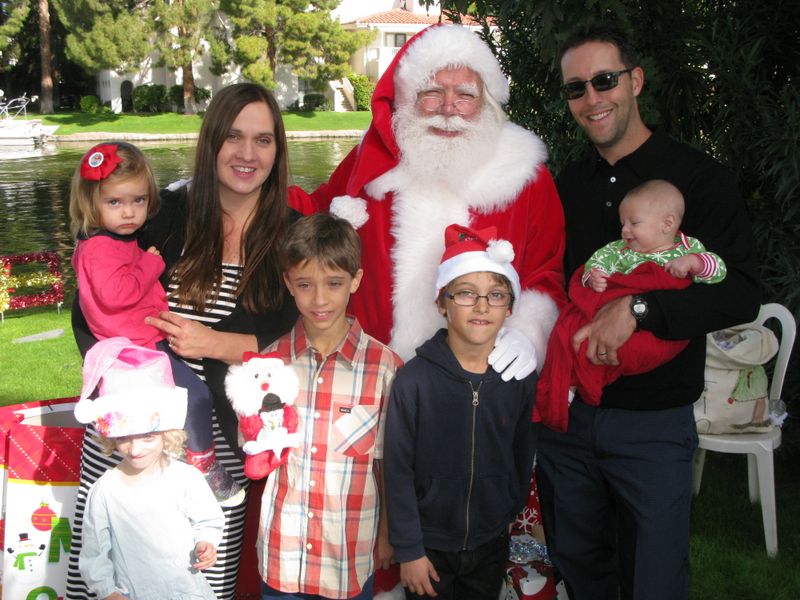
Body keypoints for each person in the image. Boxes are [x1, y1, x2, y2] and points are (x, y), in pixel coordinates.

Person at [535, 23, 761, 600]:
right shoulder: (567, 184)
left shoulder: (698, 180)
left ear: (634, 81)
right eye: (576, 88)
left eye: (604, 80)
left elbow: (740, 291)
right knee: (579, 565)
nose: (592, 98)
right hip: (572, 418)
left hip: (654, 424)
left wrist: (638, 308)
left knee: (654, 578)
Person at [68, 82, 299, 600]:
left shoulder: (291, 235)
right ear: (211, 140)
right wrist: (125, 382)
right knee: (111, 581)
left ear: (278, 151)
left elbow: (288, 340)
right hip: (130, 429)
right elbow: (90, 305)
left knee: (198, 581)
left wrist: (210, 343)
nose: (246, 153)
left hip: (212, 450)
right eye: (233, 137)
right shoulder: (164, 215)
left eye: (263, 140)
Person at [292, 23, 566, 376]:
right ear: (409, 98)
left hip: (482, 381)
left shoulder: (524, 175)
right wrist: (237, 191)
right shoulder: (374, 163)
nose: (449, 108)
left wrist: (529, 334)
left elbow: (547, 270)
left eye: (465, 95)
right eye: (432, 93)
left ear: (485, 103)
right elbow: (311, 216)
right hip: (373, 376)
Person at [69, 141, 243, 505]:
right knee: (194, 398)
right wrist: (152, 264)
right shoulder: (100, 247)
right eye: (114, 202)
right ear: (91, 204)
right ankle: (203, 463)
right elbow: (116, 294)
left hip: (139, 345)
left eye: (138, 201)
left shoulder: (116, 239)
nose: (129, 212)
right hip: (137, 351)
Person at [384, 223, 537, 600]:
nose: (482, 306)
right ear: (442, 302)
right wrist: (410, 549)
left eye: (496, 295)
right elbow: (398, 469)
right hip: (429, 547)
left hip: (489, 541)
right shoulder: (414, 381)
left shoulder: (516, 378)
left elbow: (522, 447)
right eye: (467, 293)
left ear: (509, 306)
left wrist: (506, 506)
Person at [257, 213, 402, 599]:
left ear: (355, 280)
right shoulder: (268, 368)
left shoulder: (385, 369)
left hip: (348, 558)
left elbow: (391, 465)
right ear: (288, 283)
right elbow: (258, 452)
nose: (319, 299)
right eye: (305, 285)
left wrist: (387, 534)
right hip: (282, 556)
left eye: (334, 284)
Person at [535, 179, 727, 431]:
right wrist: (594, 277)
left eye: (634, 223)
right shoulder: (619, 250)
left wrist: (695, 264)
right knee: (568, 329)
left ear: (667, 223)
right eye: (623, 223)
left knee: (610, 346)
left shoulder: (688, 249)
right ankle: (568, 387)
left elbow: (718, 270)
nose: (625, 231)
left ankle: (577, 380)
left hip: (651, 331)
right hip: (611, 310)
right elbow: (594, 265)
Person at [75, 337, 224, 600]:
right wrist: (108, 591)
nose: (135, 449)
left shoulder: (185, 477)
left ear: (167, 432)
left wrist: (206, 543)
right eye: (124, 438)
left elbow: (208, 520)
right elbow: (93, 551)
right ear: (110, 438)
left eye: (147, 437)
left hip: (187, 593)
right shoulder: (106, 490)